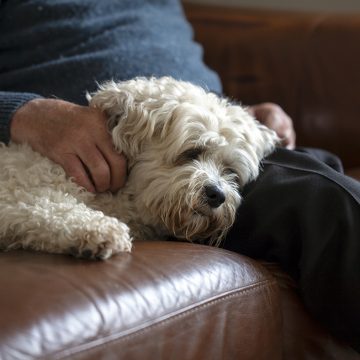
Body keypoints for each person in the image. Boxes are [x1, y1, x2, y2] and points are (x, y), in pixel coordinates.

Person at [0, 0, 359, 352]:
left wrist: (238, 120)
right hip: (115, 145)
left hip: (206, 134)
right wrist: (21, 112)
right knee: (327, 202)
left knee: (324, 168)